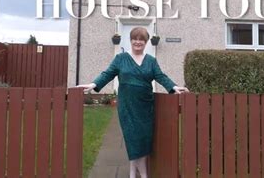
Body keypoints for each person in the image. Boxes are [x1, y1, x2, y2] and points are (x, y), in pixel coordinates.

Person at [76, 27, 189, 178]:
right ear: (130, 40)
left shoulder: (151, 61)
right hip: (127, 106)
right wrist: (93, 85)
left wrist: (174, 87)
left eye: (141, 39)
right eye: (135, 39)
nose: (137, 42)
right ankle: (142, 174)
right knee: (132, 138)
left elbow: (161, 76)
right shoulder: (120, 58)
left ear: (146, 42)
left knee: (143, 140)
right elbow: (107, 74)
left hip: (145, 106)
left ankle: (133, 172)